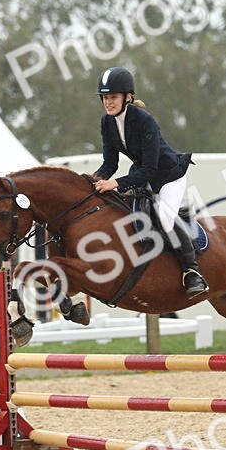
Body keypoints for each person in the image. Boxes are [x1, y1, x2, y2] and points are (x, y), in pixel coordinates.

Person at [90, 66, 209, 298]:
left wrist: (115, 184)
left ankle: (192, 271)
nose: (108, 102)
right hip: (142, 176)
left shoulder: (144, 121)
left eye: (113, 97)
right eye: (105, 98)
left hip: (168, 176)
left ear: (128, 97)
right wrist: (93, 181)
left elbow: (149, 169)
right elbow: (109, 164)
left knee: (164, 216)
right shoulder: (107, 123)